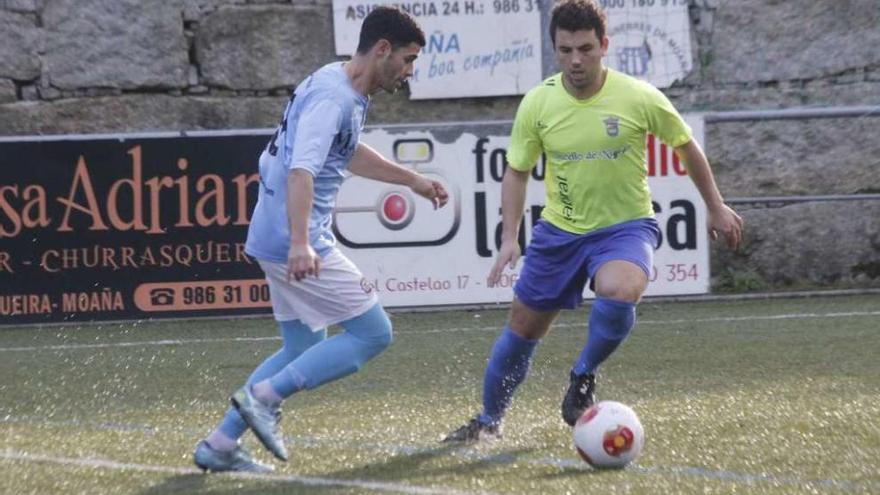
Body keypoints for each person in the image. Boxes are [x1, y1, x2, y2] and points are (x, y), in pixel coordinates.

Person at [444, 0, 743, 442]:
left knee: (619, 291)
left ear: (604, 45)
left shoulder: (638, 96)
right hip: (559, 232)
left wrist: (715, 205)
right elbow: (517, 171)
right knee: (522, 331)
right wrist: (510, 236)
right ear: (555, 51)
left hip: (625, 226)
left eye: (585, 48)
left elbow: (685, 145)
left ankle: (582, 375)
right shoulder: (539, 103)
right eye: (565, 51)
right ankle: (488, 421)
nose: (576, 60)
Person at [194, 6, 448, 472]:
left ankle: (219, 445)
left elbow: (345, 153)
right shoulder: (334, 96)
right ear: (383, 49)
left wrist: (411, 180)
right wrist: (300, 244)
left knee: (301, 348)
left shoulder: (339, 81)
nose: (410, 72)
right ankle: (265, 398)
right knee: (373, 333)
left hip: (276, 231)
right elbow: (301, 170)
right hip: (295, 235)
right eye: (408, 60)